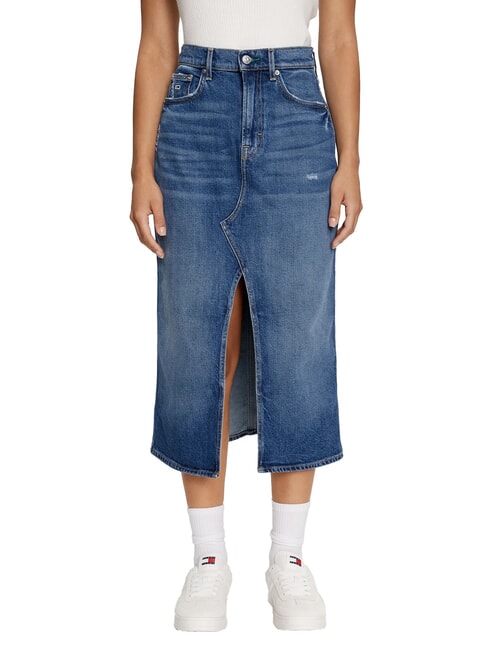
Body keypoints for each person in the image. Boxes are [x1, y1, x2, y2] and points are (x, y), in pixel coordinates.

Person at [130, 0, 362, 632]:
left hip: (295, 116)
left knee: (296, 336)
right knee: (199, 336)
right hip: (192, 114)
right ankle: (209, 558)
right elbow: (157, 43)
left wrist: (350, 159)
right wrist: (139, 170)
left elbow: (339, 38)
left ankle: (289, 557)